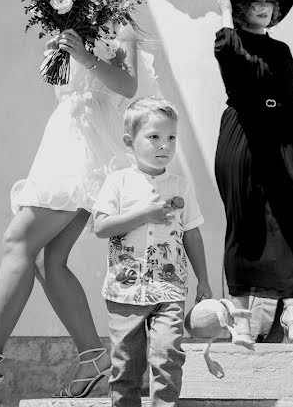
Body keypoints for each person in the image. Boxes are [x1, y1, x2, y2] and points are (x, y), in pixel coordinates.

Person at [0, 0, 156, 404]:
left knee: (18, 241)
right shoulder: (70, 35)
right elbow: (67, 87)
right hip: (63, 141)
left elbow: (127, 88)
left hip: (85, 151)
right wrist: (63, 48)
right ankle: (94, 356)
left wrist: (83, 53)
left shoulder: (120, 31)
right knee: (46, 262)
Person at [213, 0, 293, 343]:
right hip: (243, 136)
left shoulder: (281, 50)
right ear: (239, 9)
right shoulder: (228, 41)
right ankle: (242, 320)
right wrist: (222, 13)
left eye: (268, 2)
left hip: (283, 136)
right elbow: (233, 63)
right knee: (245, 225)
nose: (263, 7)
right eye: (253, 1)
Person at [92, 97, 211, 407]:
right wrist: (144, 214)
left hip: (169, 289)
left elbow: (192, 234)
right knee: (126, 368)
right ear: (130, 142)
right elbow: (101, 227)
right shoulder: (117, 183)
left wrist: (204, 280)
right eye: (154, 137)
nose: (164, 145)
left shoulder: (181, 186)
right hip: (124, 292)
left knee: (168, 356)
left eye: (171, 138)